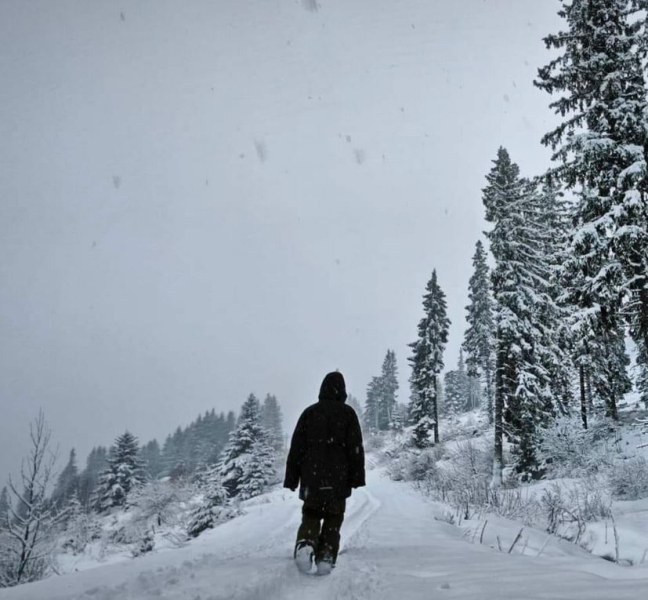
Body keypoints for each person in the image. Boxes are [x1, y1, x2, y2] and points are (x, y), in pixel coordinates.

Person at [284, 371, 365, 575]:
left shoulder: (309, 413)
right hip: (338, 480)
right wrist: (356, 477)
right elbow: (355, 448)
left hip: (311, 478)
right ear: (343, 391)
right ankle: (326, 555)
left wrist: (292, 478)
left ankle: (306, 543)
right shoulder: (348, 414)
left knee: (311, 513)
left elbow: (296, 449)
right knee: (333, 517)